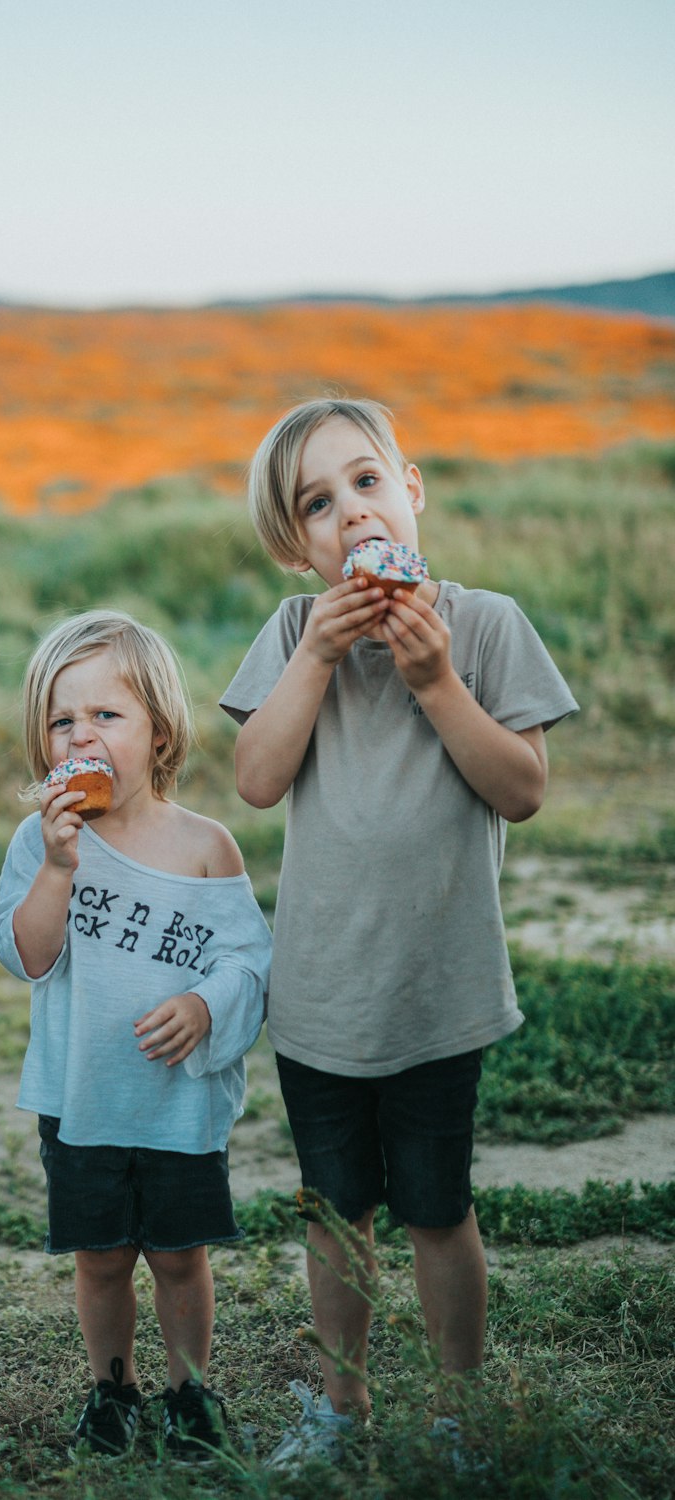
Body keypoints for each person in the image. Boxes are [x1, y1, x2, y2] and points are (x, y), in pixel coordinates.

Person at [220, 398, 578, 1469]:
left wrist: (433, 680)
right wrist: (319, 660)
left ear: (411, 490)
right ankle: (340, 1409)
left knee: (435, 1209)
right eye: (316, 505)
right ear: (299, 548)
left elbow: (519, 790)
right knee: (335, 1216)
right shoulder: (293, 635)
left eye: (365, 482)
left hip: (438, 987)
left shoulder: (486, 624)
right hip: (321, 996)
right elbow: (256, 779)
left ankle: (461, 1409)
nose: (350, 514)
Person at [0, 609, 271, 1462]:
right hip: (85, 1098)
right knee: (103, 1260)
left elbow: (249, 958)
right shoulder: (40, 842)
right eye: (62, 720)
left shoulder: (205, 847)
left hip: (174, 1103)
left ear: (159, 730)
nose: (82, 736)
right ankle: (112, 1390)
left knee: (181, 1258)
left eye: (106, 716)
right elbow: (27, 956)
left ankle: (190, 1395)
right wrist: (58, 865)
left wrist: (207, 1005)